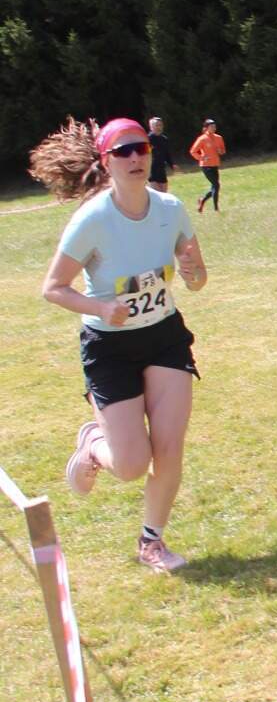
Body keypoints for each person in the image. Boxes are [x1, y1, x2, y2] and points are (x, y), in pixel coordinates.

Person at [32, 116, 208, 574]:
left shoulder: (170, 209)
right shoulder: (92, 220)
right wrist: (99, 307)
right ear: (106, 162)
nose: (135, 157)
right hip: (110, 348)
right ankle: (94, 443)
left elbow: (197, 277)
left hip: (164, 338)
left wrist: (194, 275)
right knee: (131, 464)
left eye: (141, 148)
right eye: (123, 151)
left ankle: (152, 541)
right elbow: (53, 288)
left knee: (169, 449)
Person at [190, 117, 225, 213]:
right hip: (205, 166)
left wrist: (220, 151)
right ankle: (216, 209)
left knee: (214, 186)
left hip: (215, 164)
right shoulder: (202, 139)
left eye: (214, 126)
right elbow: (193, 151)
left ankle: (202, 200)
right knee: (216, 185)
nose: (214, 128)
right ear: (206, 128)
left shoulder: (219, 138)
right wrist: (202, 157)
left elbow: (223, 150)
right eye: (211, 126)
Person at [147, 115, 174, 188]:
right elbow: (145, 154)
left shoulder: (164, 139)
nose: (159, 127)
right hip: (151, 170)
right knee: (156, 191)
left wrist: (172, 164)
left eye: (160, 125)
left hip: (161, 169)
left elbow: (167, 154)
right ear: (151, 127)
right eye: (157, 125)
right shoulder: (147, 139)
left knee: (164, 191)